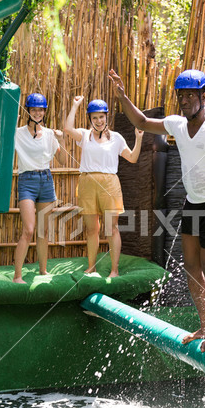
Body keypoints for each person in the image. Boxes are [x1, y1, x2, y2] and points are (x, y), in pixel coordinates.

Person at [109, 68, 205, 351]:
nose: (184, 100)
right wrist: (122, 97)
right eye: (180, 95)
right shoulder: (177, 125)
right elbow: (142, 121)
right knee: (192, 268)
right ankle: (204, 326)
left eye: (190, 95)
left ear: (204, 95)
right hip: (193, 202)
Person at [64, 96, 144, 277]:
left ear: (106, 117)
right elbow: (68, 129)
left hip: (110, 183)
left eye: (101, 117)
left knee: (111, 228)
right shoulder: (84, 135)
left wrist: (138, 139)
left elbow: (132, 158)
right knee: (92, 229)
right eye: (94, 117)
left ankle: (114, 270)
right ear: (90, 119)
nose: (98, 121)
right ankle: (91, 266)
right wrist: (75, 105)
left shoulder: (116, 138)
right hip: (87, 182)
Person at [13, 93, 66, 283]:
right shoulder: (17, 132)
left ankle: (43, 270)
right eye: (34, 109)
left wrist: (62, 140)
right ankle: (17, 276)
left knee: (43, 230)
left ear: (45, 111)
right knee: (28, 229)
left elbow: (61, 160)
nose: (37, 113)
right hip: (26, 181)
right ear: (28, 110)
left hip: (46, 180)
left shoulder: (50, 134)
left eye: (41, 109)